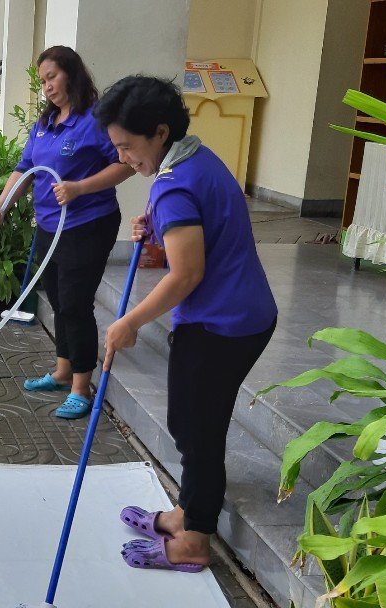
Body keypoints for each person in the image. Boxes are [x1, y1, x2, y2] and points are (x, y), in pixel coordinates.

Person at [94, 76, 277, 572]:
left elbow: (188, 273)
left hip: (224, 322)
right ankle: (186, 512)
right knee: (192, 422)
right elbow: (191, 239)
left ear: (158, 132)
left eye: (127, 146)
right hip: (238, 314)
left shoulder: (175, 185)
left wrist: (129, 321)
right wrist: (156, 228)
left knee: (198, 429)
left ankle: (195, 538)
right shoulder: (194, 160)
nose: (124, 158)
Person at [0, 45, 135, 420]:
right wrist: (1, 206)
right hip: (51, 225)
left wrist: (80, 188)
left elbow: (127, 164)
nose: (47, 86)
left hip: (88, 224)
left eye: (52, 77)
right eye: (43, 80)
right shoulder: (46, 124)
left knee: (75, 303)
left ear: (71, 74)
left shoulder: (95, 121)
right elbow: (24, 169)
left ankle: (82, 387)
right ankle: (63, 370)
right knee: (55, 295)